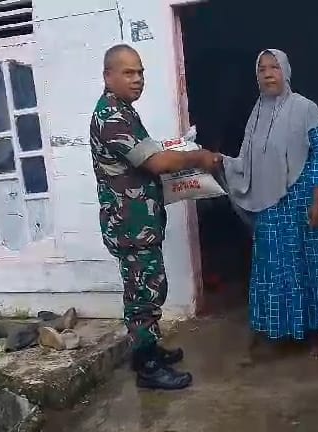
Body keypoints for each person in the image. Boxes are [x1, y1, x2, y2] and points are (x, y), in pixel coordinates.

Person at [90, 44, 221, 390]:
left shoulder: (124, 111)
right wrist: (198, 157)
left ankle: (146, 350)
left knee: (148, 288)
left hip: (139, 221)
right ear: (108, 76)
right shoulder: (112, 117)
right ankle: (148, 367)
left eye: (141, 72)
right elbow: (156, 163)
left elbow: (149, 154)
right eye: (128, 73)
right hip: (129, 223)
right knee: (143, 293)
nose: (137, 80)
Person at [223, 49, 318, 357]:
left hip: (302, 200)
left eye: (274, 67)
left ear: (285, 71)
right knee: (273, 265)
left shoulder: (305, 108)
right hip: (269, 204)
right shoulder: (257, 113)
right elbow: (247, 160)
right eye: (262, 69)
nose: (267, 73)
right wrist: (218, 163)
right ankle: (281, 330)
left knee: (309, 264)